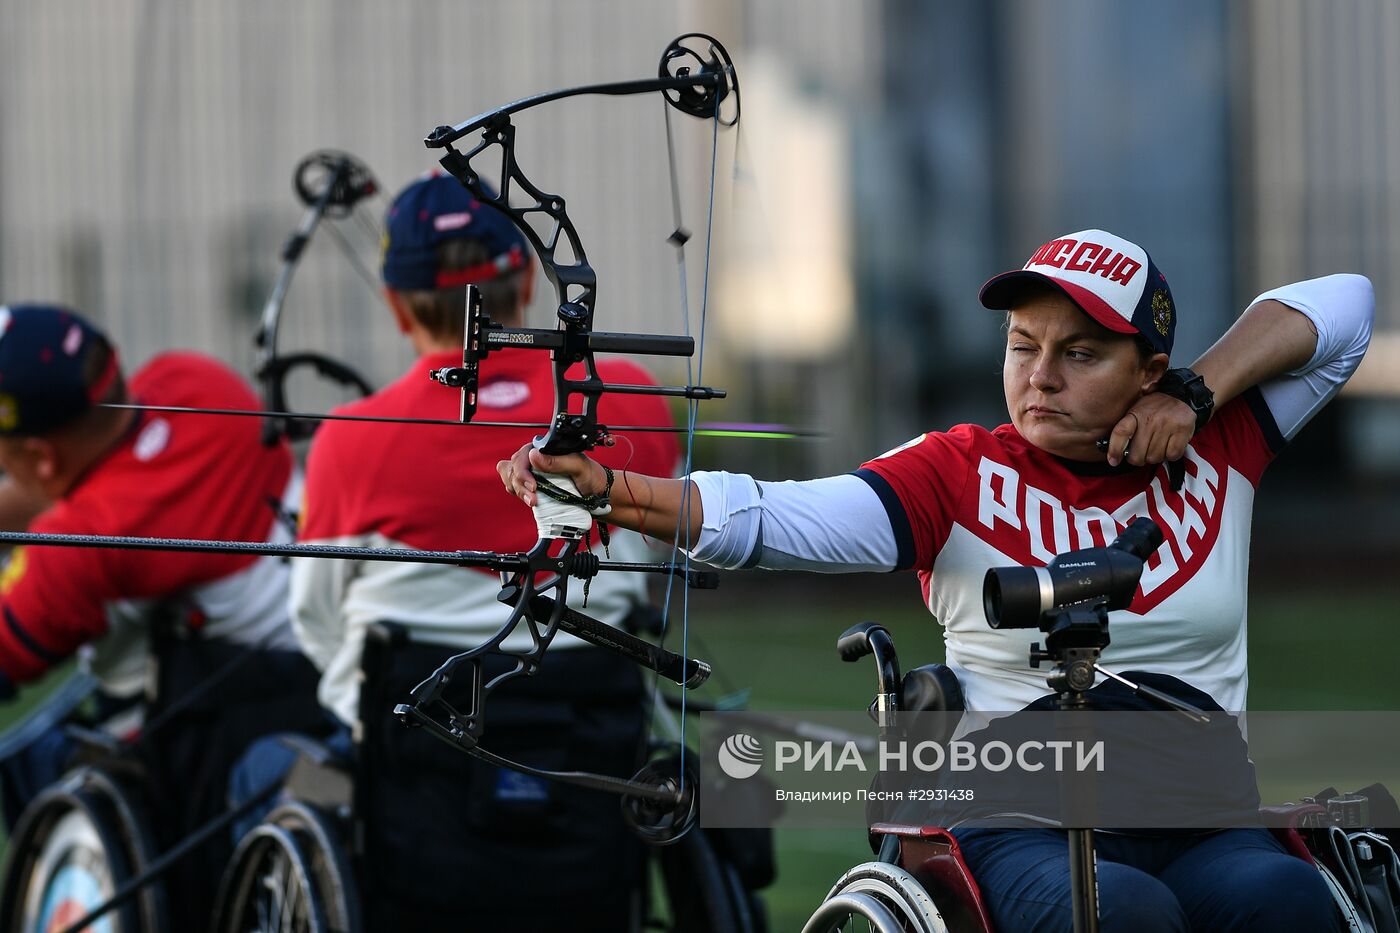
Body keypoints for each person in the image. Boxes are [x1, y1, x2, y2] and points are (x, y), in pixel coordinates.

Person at [502, 229, 1374, 932]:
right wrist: (609, 491)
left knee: (1287, 902)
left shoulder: (1222, 445)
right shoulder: (955, 471)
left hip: (1203, 814)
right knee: (1121, 911)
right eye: (1022, 344)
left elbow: (1345, 308)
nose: (1039, 376)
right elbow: (771, 516)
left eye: (1081, 352)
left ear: (1148, 368)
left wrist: (1198, 393)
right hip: (1016, 818)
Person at [279, 172, 679, 928]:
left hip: (410, 772)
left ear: (397, 305)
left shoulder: (351, 440)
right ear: (528, 275)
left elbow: (315, 625)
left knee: (283, 772)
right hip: (596, 744)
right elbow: (666, 566)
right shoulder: (628, 395)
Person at [0, 303, 325, 920]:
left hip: (248, 705)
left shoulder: (80, 544)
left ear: (41, 459)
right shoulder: (191, 380)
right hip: (309, 655)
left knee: (30, 757)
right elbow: (83, 478)